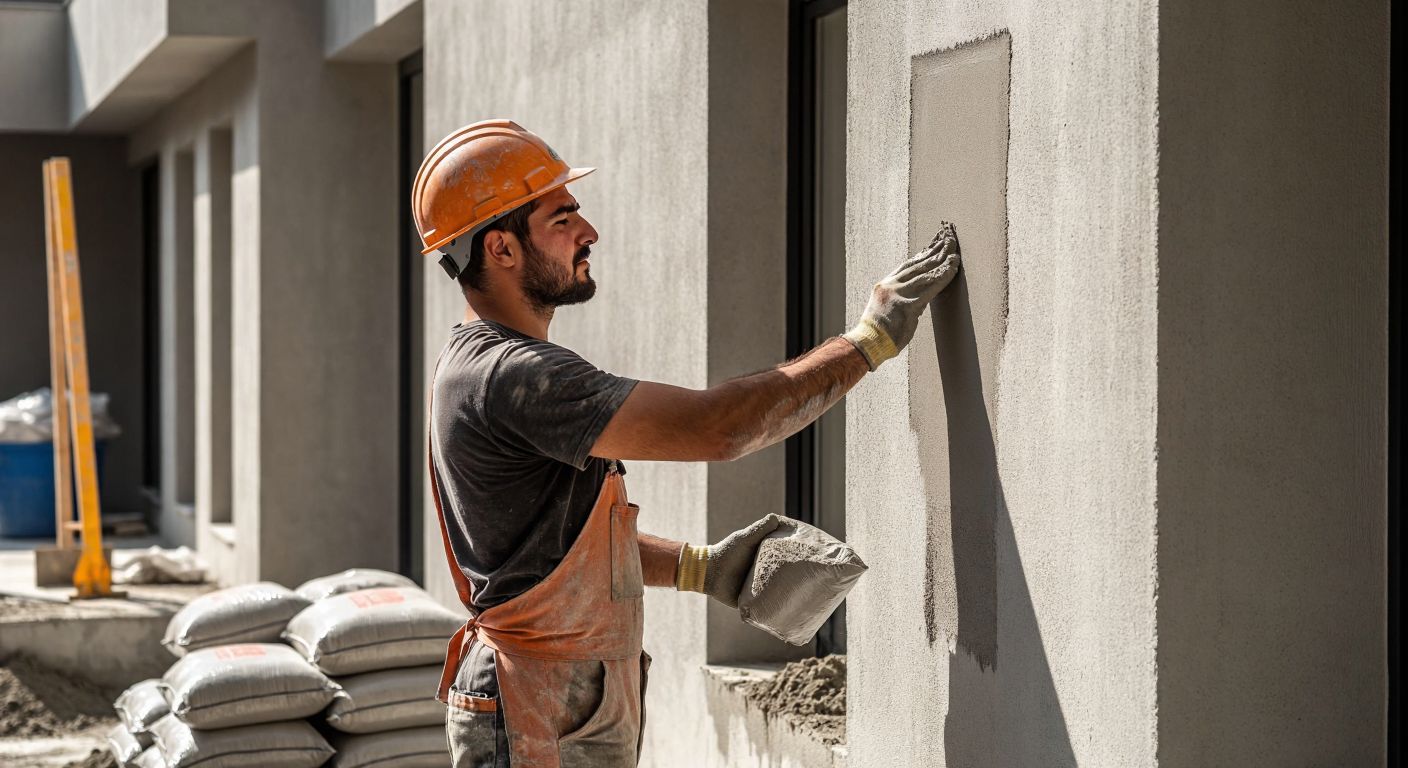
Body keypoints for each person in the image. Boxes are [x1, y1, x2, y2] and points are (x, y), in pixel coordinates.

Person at [413, 120, 961, 767]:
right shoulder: (514, 375)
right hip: (532, 696)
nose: (589, 233)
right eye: (563, 219)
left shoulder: (496, 365)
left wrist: (700, 567)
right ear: (501, 249)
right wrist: (869, 342)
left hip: (560, 689)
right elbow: (719, 427)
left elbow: (551, 555)